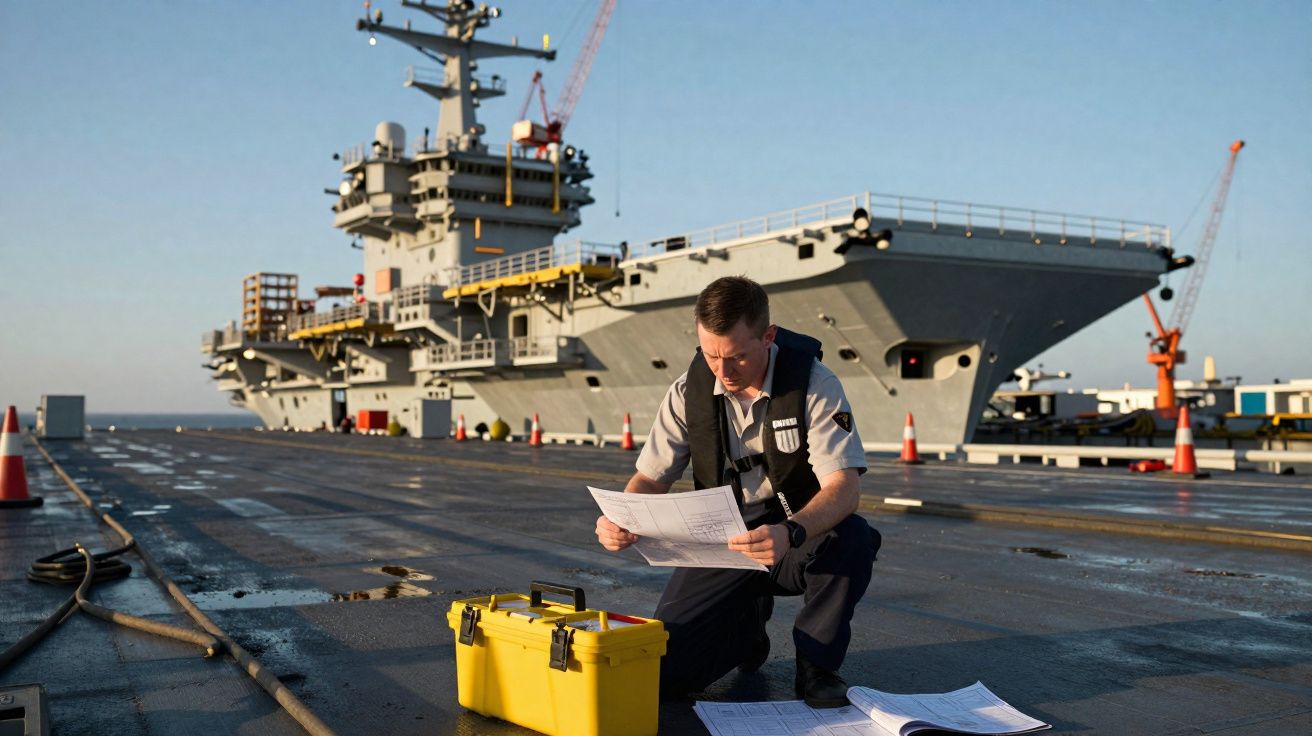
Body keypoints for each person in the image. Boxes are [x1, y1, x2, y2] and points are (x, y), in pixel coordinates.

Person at [596, 275, 879, 707]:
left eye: (737, 357)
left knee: (853, 537)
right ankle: (747, 633)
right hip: (724, 541)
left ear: (768, 337)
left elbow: (844, 489)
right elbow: (651, 479)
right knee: (664, 677)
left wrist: (790, 532)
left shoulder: (815, 385)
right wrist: (622, 518)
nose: (724, 372)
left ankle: (818, 667)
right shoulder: (687, 392)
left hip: (795, 535)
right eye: (711, 356)